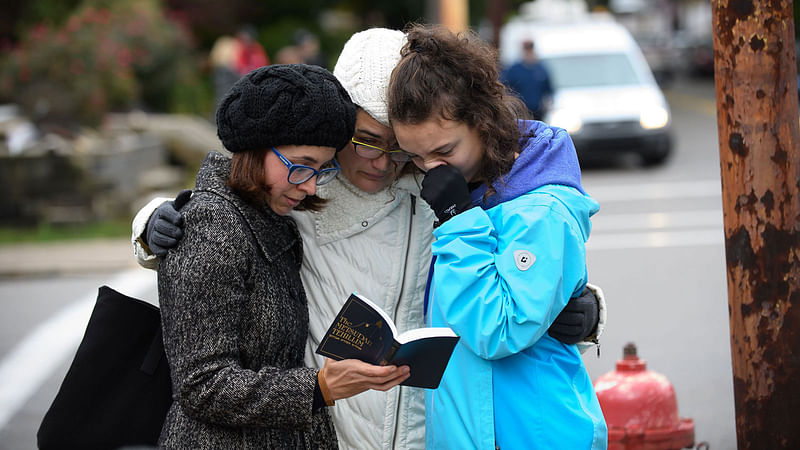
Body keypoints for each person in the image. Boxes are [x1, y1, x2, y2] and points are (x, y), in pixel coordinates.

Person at [132, 29, 606, 450]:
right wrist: (154, 224)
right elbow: (227, 214)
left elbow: (518, 272)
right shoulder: (303, 187)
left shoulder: (439, 189)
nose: (381, 162)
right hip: (326, 425)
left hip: (430, 428)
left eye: (396, 148)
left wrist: (585, 309)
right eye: (364, 140)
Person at [155, 64, 409, 448]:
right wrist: (320, 386)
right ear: (256, 147)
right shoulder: (214, 226)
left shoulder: (271, 217)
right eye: (301, 166)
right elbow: (201, 384)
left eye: (321, 170)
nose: (308, 186)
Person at [387, 24, 607, 449]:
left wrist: (456, 220)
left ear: (483, 123)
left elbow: (497, 330)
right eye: (415, 157)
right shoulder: (473, 186)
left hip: (534, 434)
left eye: (444, 152)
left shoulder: (539, 208)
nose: (432, 170)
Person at [501, 39, 553, 120]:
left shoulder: (540, 69)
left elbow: (548, 89)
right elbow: (506, 88)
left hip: (538, 112)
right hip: (520, 112)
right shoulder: (514, 69)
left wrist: (547, 104)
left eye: (530, 49)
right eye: (526, 49)